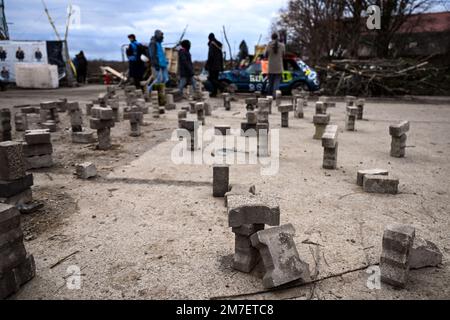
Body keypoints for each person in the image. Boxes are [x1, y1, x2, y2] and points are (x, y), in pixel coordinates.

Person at [265, 33, 285, 98]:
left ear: (271, 38)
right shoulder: (282, 45)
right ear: (277, 37)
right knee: (277, 83)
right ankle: (275, 96)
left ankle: (269, 96)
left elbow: (265, 54)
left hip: (271, 67)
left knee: (270, 82)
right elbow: (283, 54)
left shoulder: (268, 45)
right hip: (279, 67)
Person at [205, 33, 224, 97]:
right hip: (218, 66)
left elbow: (211, 56)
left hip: (212, 66)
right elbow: (221, 57)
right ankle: (214, 93)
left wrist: (207, 65)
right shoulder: (219, 46)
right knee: (215, 79)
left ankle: (221, 86)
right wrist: (221, 66)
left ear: (209, 38)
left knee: (211, 78)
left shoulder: (212, 44)